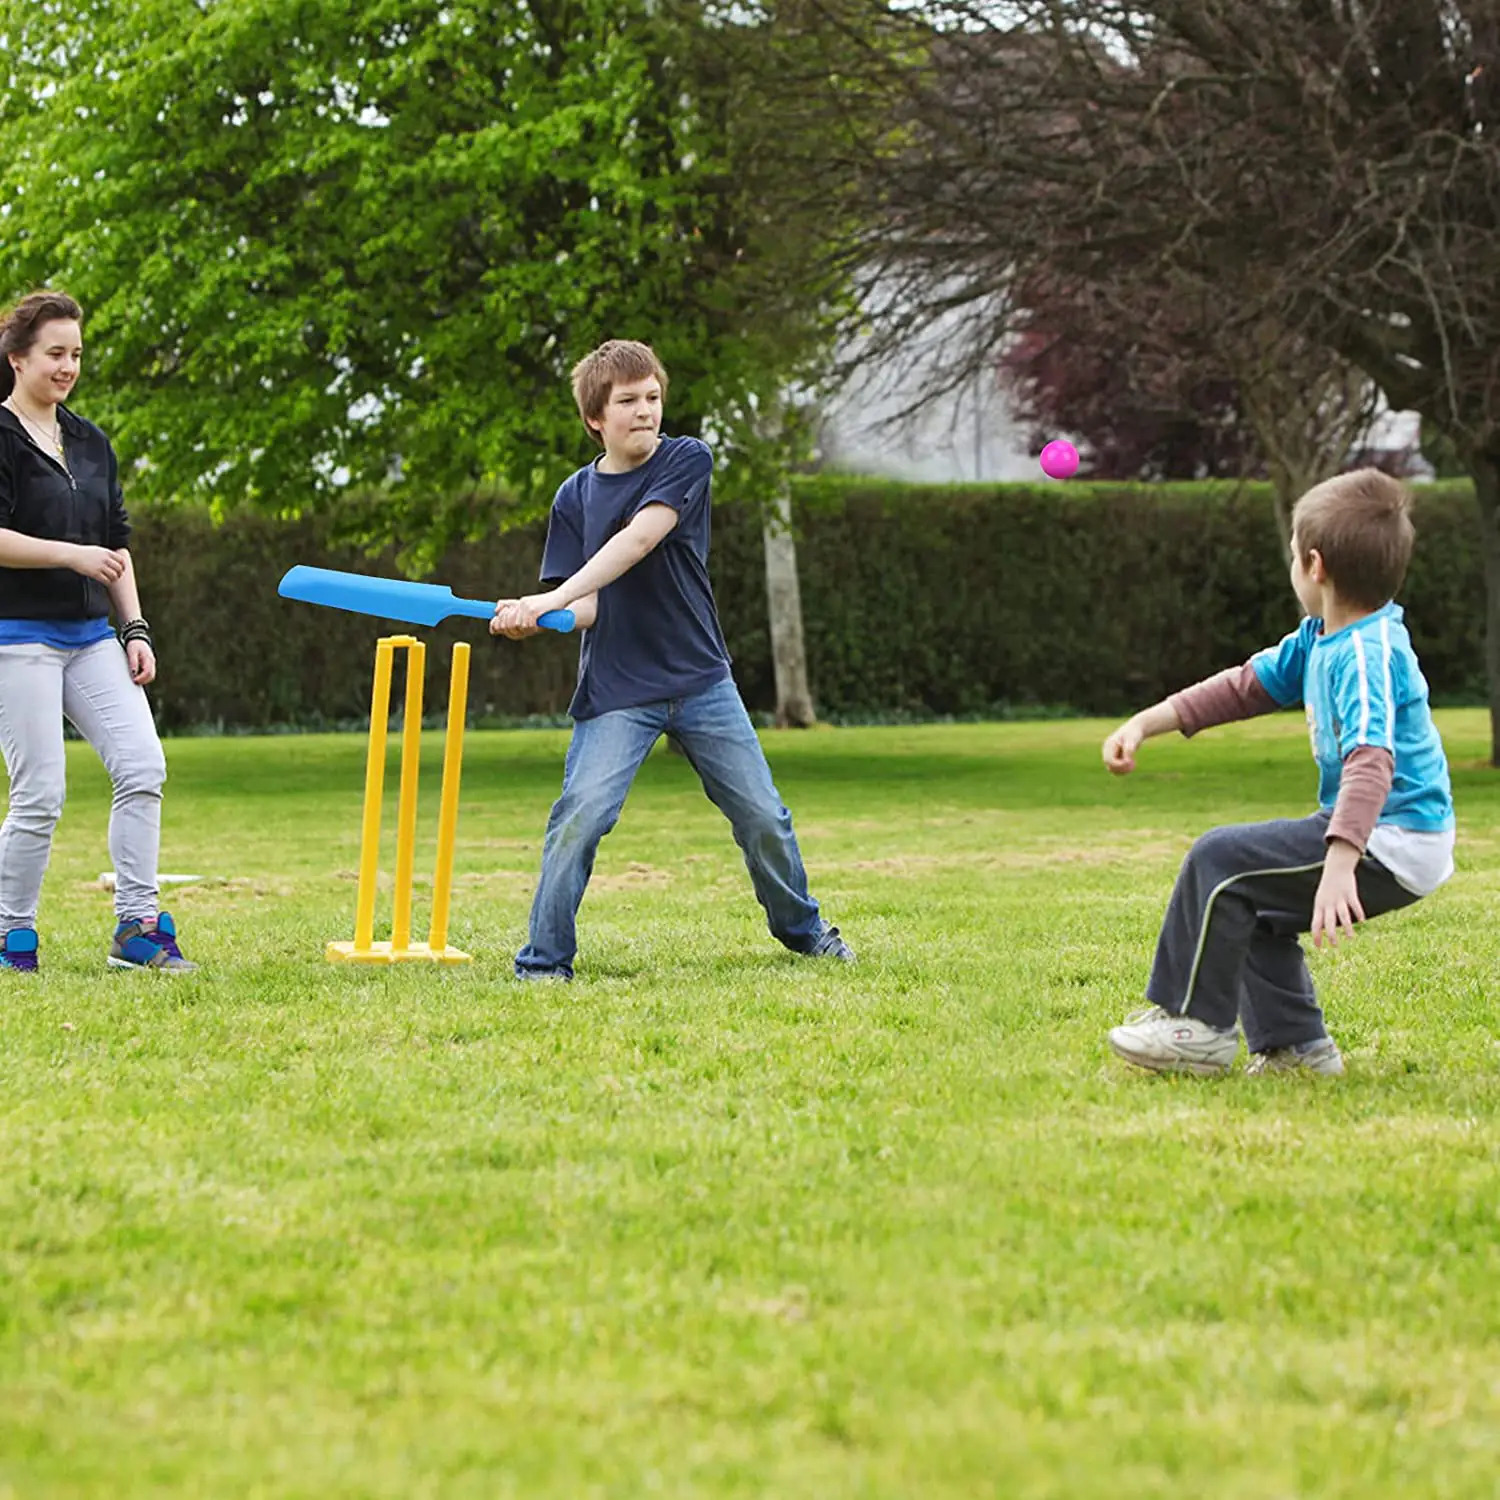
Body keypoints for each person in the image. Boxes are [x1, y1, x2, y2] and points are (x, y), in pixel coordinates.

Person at [491, 338, 853, 980]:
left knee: (762, 815)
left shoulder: (685, 460)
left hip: (699, 678)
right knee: (581, 815)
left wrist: (549, 595)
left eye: (653, 397)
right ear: (595, 419)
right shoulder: (574, 497)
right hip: (617, 689)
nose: (645, 411)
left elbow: (638, 541)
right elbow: (590, 607)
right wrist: (538, 618)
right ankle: (543, 964)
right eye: (627, 401)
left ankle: (805, 933)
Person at [1101, 468, 1452, 1076]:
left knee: (1219, 859)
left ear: (1314, 566)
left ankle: (1197, 1028)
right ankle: (1297, 1049)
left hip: (1390, 838)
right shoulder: (1322, 639)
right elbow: (1242, 687)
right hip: (1373, 832)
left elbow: (1372, 761)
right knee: (1251, 901)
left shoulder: (1368, 654)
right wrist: (1144, 724)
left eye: (1292, 555)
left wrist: (1341, 861)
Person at [0, 291, 196, 973]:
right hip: (15, 638)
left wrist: (134, 627)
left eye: (76, 354)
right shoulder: (0, 437)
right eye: (55, 353)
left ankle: (138, 928)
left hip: (89, 637)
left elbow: (116, 544)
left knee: (143, 766)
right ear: (17, 356)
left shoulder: (90, 442)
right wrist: (67, 554)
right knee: (41, 794)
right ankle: (9, 933)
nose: (68, 366)